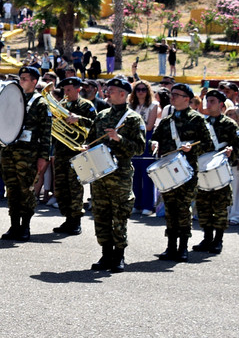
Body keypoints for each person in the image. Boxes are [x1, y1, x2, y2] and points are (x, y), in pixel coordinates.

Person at [85, 78, 146, 272]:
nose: (107, 92)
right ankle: (105, 254)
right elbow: (91, 140)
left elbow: (139, 148)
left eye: (112, 90)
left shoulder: (133, 119)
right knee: (101, 214)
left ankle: (119, 255)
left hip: (120, 174)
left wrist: (119, 139)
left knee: (119, 216)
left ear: (123, 94)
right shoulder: (101, 115)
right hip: (100, 172)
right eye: (108, 89)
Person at [150, 83, 209, 262]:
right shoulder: (167, 120)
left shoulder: (197, 120)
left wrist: (192, 148)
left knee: (183, 210)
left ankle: (183, 248)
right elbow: (156, 136)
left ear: (187, 99)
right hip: (168, 171)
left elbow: (207, 144)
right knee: (170, 210)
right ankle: (170, 246)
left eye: (177, 94)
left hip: (186, 173)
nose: (172, 97)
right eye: (171, 94)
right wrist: (154, 143)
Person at [0, 66, 52, 240]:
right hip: (9, 151)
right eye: (20, 78)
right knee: (12, 189)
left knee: (26, 190)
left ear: (34, 82)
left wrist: (43, 157)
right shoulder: (14, 98)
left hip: (28, 154)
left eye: (25, 78)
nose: (21, 81)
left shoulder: (40, 103)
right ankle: (14, 225)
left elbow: (46, 132)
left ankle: (25, 226)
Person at [50, 76, 98, 235]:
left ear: (78, 89)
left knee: (74, 187)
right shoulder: (61, 105)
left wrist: (79, 119)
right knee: (61, 187)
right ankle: (67, 218)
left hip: (77, 152)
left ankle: (75, 220)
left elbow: (96, 125)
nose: (66, 92)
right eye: (64, 90)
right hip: (61, 151)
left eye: (69, 89)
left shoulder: (86, 106)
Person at [193, 89, 239, 253]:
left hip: (220, 171)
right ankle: (206, 238)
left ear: (221, 104)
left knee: (220, 207)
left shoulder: (229, 124)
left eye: (212, 101)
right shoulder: (201, 123)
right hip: (204, 170)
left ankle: (218, 240)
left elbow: (237, 146)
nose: (208, 104)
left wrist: (231, 152)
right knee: (204, 206)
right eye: (207, 101)